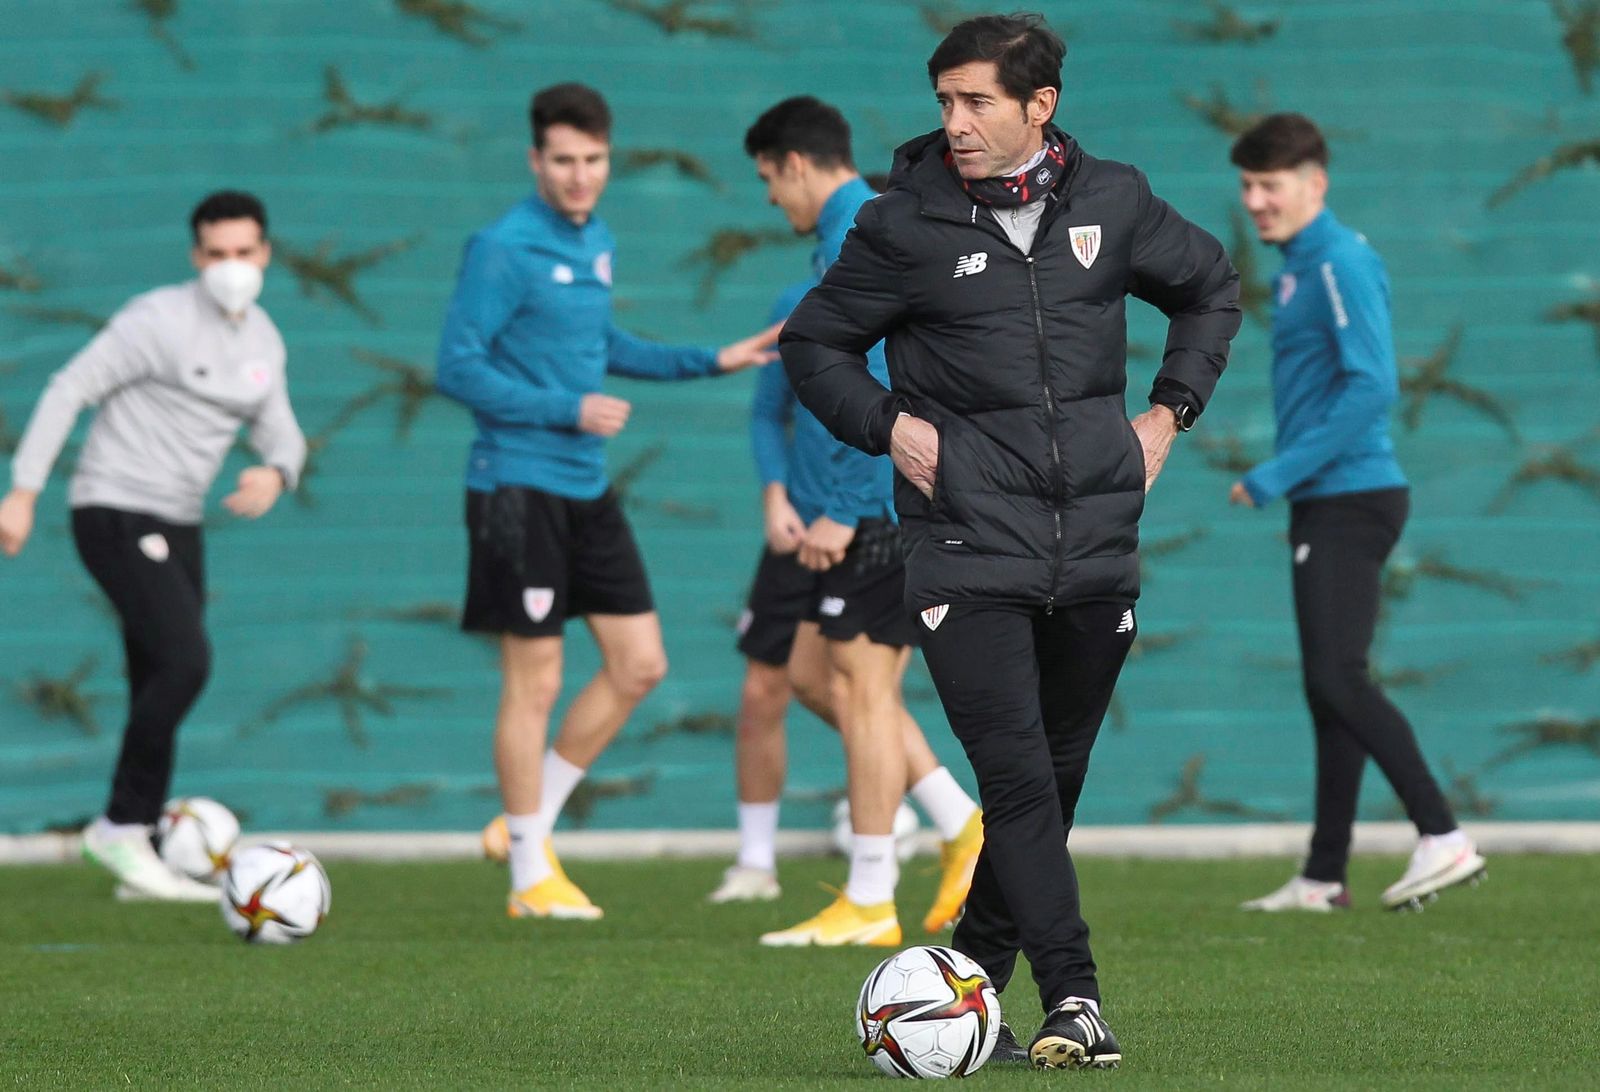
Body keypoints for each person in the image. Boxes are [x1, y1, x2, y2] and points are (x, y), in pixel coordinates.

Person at [778, 15, 1241, 1069]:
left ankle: (971, 968)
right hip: (962, 548)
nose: (955, 122)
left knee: (1055, 776)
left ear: (1041, 107)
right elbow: (815, 344)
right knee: (1021, 778)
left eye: (977, 101)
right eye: (943, 100)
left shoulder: (1113, 201)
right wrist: (889, 427)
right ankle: (1073, 998)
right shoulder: (902, 223)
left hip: (1095, 544)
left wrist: (1168, 416)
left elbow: (1210, 288)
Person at [436, 83, 779, 921]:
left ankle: (527, 824)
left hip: (585, 488)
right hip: (516, 485)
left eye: (594, 160)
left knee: (640, 665)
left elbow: (597, 345)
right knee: (537, 679)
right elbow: (457, 364)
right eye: (563, 161)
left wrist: (713, 359)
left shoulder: (596, 241)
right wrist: (566, 408)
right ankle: (528, 873)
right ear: (535, 161)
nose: (580, 176)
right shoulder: (502, 246)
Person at [715, 106, 983, 945]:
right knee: (806, 672)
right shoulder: (846, 237)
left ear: (795, 164)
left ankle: (870, 898)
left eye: (766, 180)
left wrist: (840, 505)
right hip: (864, 503)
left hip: (879, 506)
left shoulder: (859, 233)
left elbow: (878, 385)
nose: (768, 199)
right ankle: (960, 821)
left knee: (866, 693)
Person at [0, 191, 306, 903]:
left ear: (266, 253)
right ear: (197, 257)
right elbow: (67, 386)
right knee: (186, 660)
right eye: (217, 254)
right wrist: (22, 490)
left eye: (244, 252)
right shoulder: (157, 320)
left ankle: (138, 850)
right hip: (113, 508)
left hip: (179, 521)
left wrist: (276, 470)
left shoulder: (263, 340)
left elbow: (281, 428)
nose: (232, 267)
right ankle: (119, 825)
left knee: (156, 675)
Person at [1227, 113, 1486, 914]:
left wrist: (1275, 472)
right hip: (1329, 499)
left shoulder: (1338, 260)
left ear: (1316, 183)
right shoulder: (1301, 265)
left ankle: (1441, 835)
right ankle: (1322, 876)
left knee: (1338, 677)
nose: (1257, 202)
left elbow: (1374, 384)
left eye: (1271, 186)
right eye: (1247, 186)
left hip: (1351, 497)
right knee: (1326, 687)